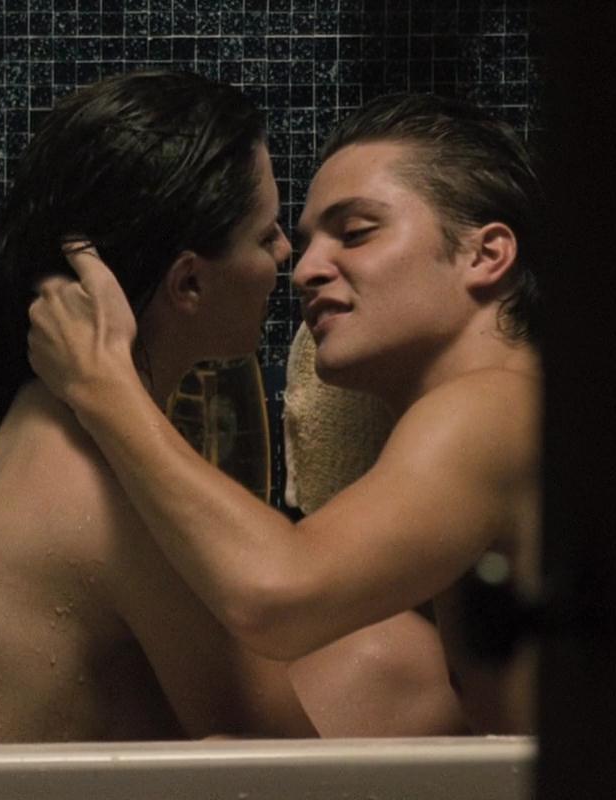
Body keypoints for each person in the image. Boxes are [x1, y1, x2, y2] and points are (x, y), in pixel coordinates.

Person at [0, 72, 458, 743]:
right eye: (265, 234)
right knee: (417, 680)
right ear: (189, 284)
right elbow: (287, 771)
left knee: (388, 654)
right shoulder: (117, 499)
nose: (286, 256)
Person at [28, 93, 545, 734]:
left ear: (485, 254)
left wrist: (104, 383)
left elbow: (278, 597)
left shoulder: (494, 406)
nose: (305, 271)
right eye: (305, 243)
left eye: (355, 232)